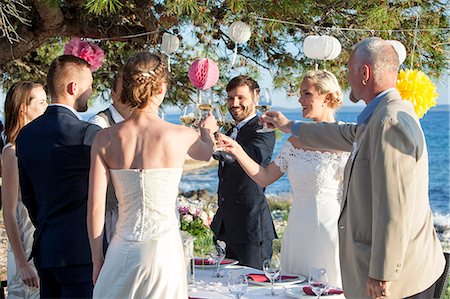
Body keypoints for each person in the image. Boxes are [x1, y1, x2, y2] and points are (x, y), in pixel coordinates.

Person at [262, 37, 445, 298]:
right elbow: (344, 134)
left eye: (349, 71)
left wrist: (382, 273)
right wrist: (290, 126)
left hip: (402, 281)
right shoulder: (380, 115)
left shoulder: (389, 122)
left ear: (364, 73)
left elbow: (395, 205)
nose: (346, 78)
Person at [87, 52, 217, 298]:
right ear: (161, 87)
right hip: (164, 252)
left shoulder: (104, 139)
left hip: (121, 249)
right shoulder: (181, 135)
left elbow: (95, 207)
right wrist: (207, 132)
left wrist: (97, 260)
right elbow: (206, 153)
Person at [219, 70, 349, 287]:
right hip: (296, 230)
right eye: (300, 94)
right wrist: (237, 150)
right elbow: (264, 177)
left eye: (306, 94)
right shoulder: (295, 141)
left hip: (330, 231)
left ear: (327, 97)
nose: (299, 99)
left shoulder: (345, 137)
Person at [16, 55, 100, 298]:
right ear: (73, 88)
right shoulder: (87, 133)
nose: (91, 91)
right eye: (89, 84)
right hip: (80, 251)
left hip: (46, 248)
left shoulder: (26, 135)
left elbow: (29, 196)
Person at [210, 75, 276, 270]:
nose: (234, 103)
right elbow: (222, 157)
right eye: (230, 98)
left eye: (241, 98)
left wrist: (224, 146)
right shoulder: (231, 131)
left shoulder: (264, 129)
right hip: (225, 227)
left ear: (256, 98)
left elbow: (253, 157)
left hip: (251, 230)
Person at [2, 82, 48, 298]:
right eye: (41, 102)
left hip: (44, 244)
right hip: (24, 248)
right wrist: (22, 263)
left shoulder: (41, 146)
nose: (47, 106)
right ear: (23, 108)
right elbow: (9, 212)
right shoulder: (12, 152)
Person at [88, 73, 132, 242]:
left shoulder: (139, 123)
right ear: (112, 93)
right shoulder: (99, 124)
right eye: (124, 89)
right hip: (111, 217)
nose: (130, 94)